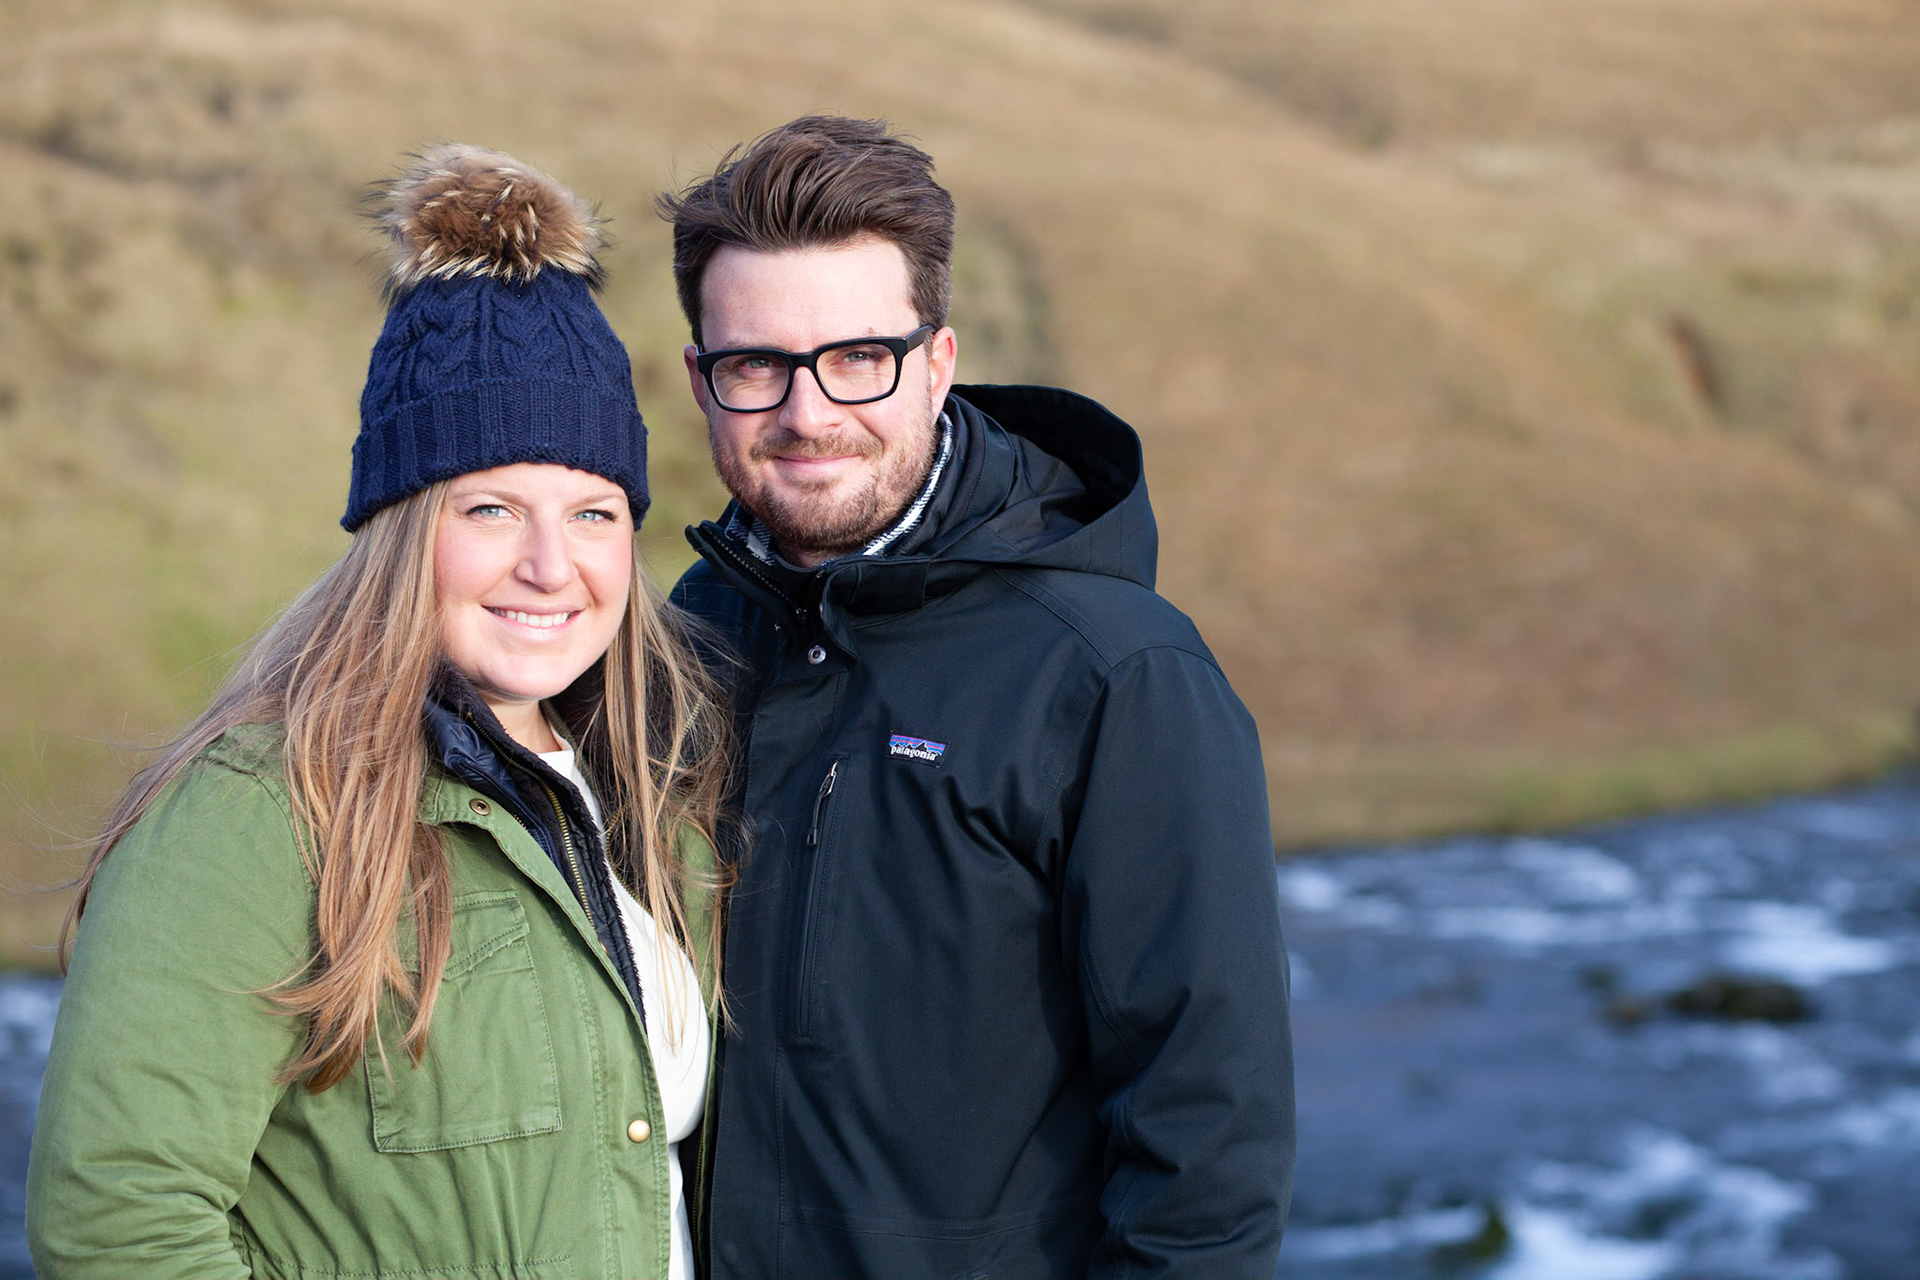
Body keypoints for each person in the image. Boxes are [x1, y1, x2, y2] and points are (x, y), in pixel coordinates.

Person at [27, 144, 729, 1279]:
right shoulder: (264, 812)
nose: (552, 565)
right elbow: (121, 1222)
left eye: (594, 513)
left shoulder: (657, 805)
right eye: (491, 507)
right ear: (403, 531)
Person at [659, 115, 1296, 1279]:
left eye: (859, 356)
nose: (808, 413)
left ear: (938, 361)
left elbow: (1206, 1152)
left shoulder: (1117, 675)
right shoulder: (684, 639)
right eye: (756, 366)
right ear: (703, 379)